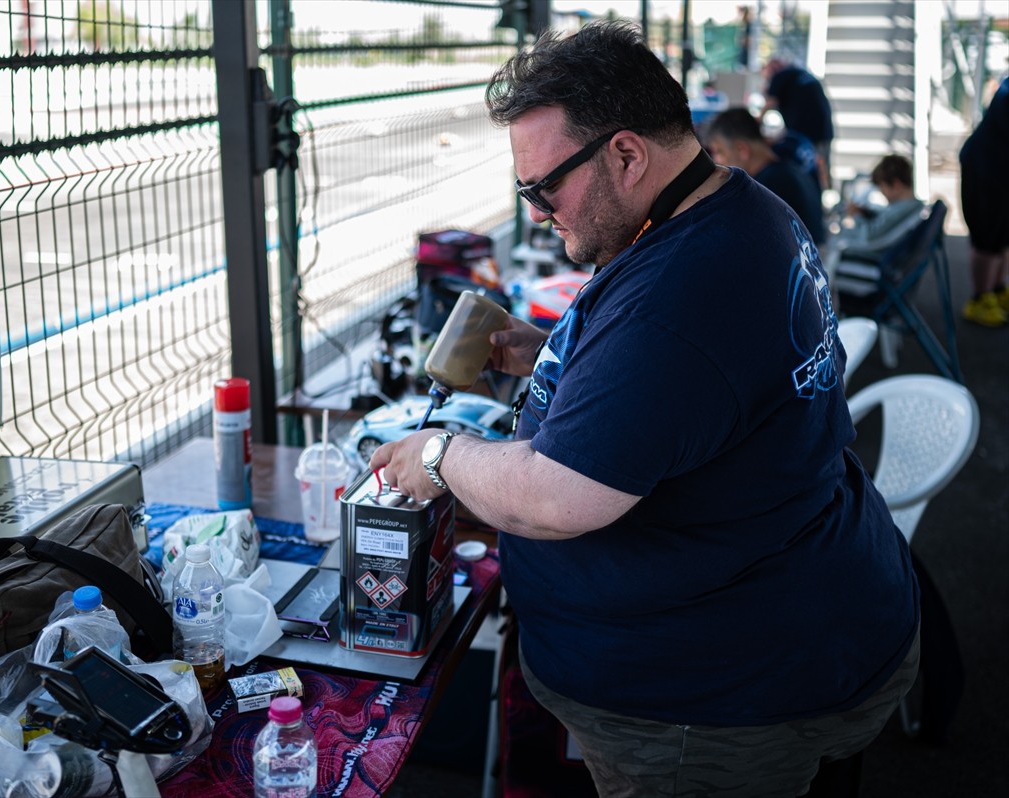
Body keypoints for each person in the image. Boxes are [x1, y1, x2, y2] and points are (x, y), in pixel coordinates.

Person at [370, 20, 919, 797]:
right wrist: (554, 352)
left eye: (543, 188)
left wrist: (439, 456)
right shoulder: (738, 209)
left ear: (626, 155)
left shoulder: (680, 293)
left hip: (715, 701)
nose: (536, 210)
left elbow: (558, 496)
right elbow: (688, 383)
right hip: (793, 619)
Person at [705, 106, 825, 243]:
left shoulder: (767, 187)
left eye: (719, 152)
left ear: (742, 150)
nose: (716, 161)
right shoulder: (791, 171)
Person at [958, 75, 1009, 327]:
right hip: (986, 170)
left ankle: (997, 289)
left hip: (1000, 170)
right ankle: (979, 299)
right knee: (987, 239)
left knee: (1003, 237)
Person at [764, 57, 834, 189]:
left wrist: (752, 125)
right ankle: (821, 194)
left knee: (809, 174)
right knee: (820, 172)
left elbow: (770, 103)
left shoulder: (779, 76)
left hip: (807, 136)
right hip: (824, 131)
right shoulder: (800, 74)